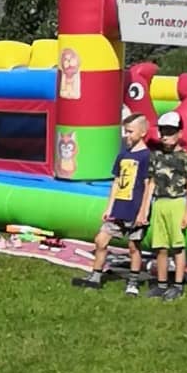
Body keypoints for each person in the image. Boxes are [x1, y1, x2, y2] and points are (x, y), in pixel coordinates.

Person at [78, 114, 151, 295]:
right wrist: (109, 207)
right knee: (100, 240)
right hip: (119, 207)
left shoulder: (146, 156)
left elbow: (148, 185)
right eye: (125, 131)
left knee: (133, 247)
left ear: (143, 132)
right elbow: (117, 182)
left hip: (135, 208)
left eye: (130, 132)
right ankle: (95, 276)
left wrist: (143, 211)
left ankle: (133, 282)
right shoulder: (123, 155)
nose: (127, 135)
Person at [140, 111, 187, 301]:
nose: (165, 136)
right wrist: (145, 209)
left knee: (178, 247)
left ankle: (178, 285)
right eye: (163, 132)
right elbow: (151, 183)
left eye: (170, 132)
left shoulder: (185, 157)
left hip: (176, 202)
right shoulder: (155, 156)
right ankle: (161, 284)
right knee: (160, 247)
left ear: (179, 133)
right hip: (159, 203)